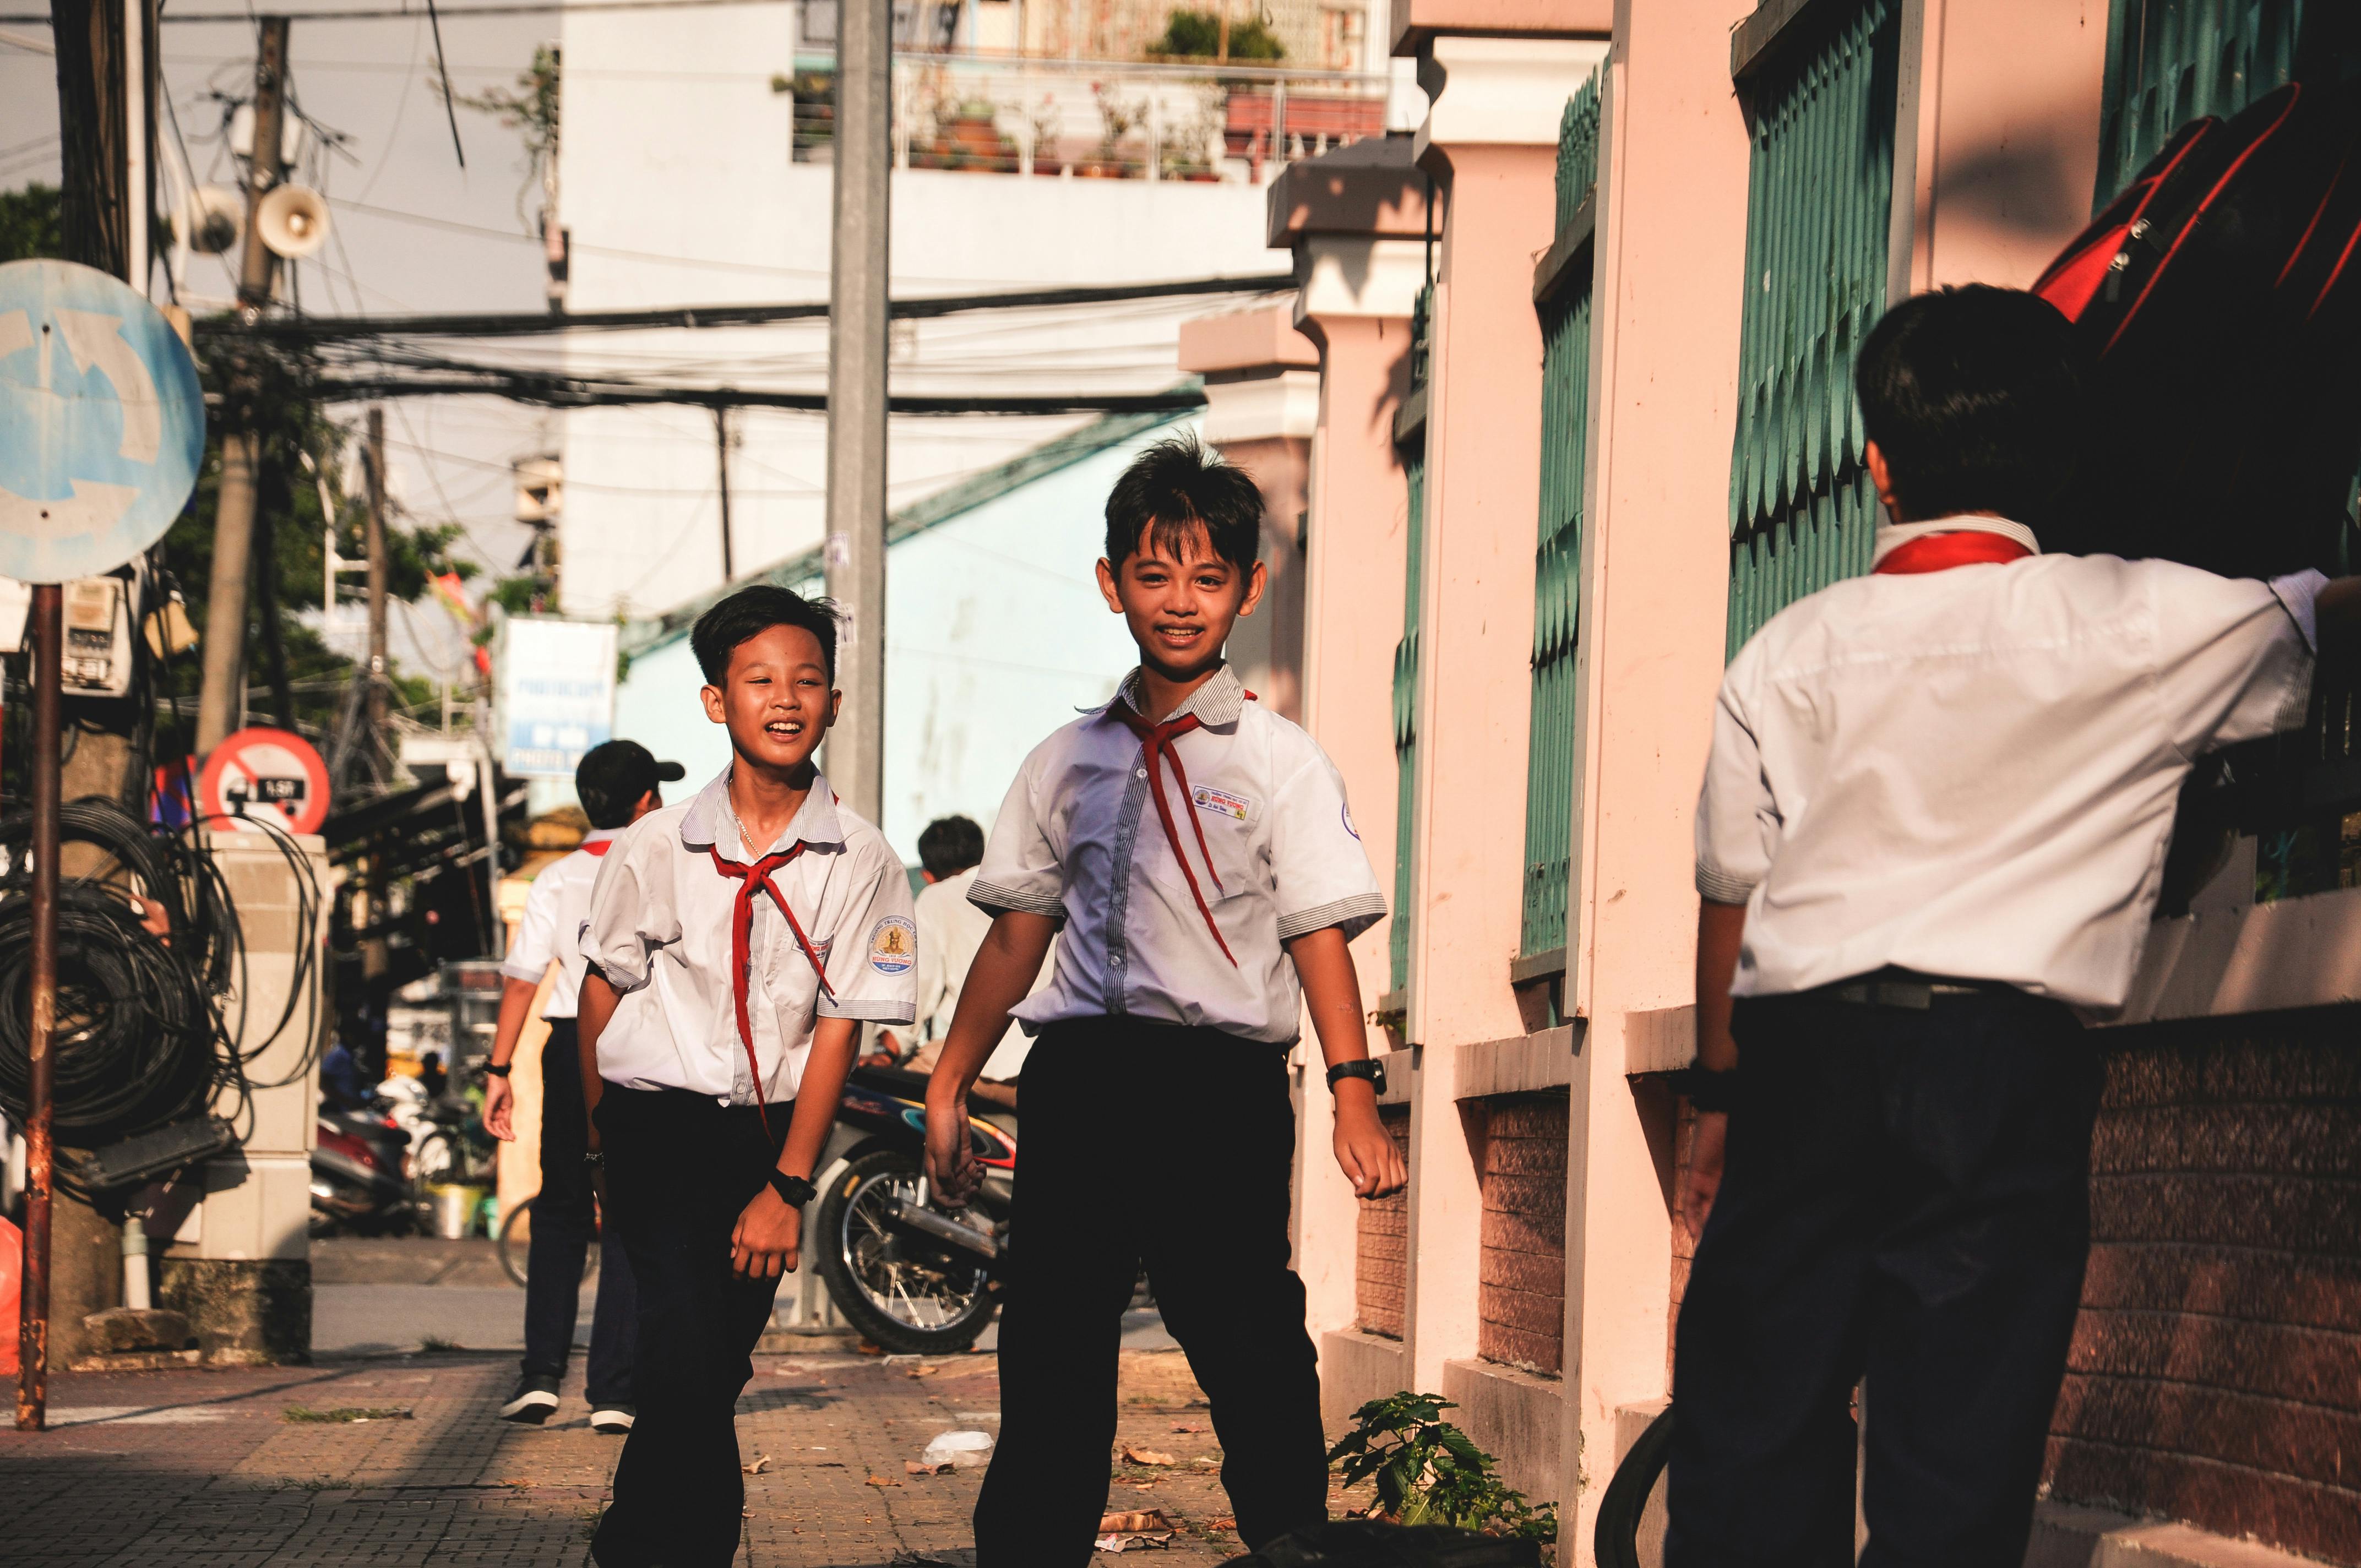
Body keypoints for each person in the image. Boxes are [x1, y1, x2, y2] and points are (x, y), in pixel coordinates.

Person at [1673, 285, 2360, 1566]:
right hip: (1997, 1067)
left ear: (1876, 463)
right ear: (2059, 459)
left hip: (1803, 1059)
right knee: (1956, 1437)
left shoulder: (1784, 647)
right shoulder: (2134, 618)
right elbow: (2319, 617)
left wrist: (1716, 1101)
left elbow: (1730, 885)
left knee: (1756, 1416)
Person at [923, 434, 1409, 1564]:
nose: (1179, 601)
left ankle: (1290, 1540)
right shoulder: (1061, 761)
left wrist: (1352, 1091)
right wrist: (950, 1077)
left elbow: (1317, 934)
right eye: (1153, 573)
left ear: (1248, 585)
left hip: (1218, 1089)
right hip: (1081, 1081)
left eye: (1205, 575)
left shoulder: (1280, 760)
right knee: (1051, 1339)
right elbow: (1012, 937)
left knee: (1245, 1333)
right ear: (1110, 584)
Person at [575, 584, 918, 1568]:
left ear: (834, 702)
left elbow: (844, 1027)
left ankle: (633, 1546)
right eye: (758, 678)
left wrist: (785, 1185)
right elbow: (602, 996)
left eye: (805, 680)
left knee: (706, 1368)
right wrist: (602, 1143)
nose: (783, 697)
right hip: (651, 1126)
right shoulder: (653, 847)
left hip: (765, 1137)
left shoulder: (863, 861)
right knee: (686, 1346)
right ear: (714, 701)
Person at [483, 739, 682, 1433]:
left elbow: (522, 978)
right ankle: (616, 1391)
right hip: (644, 1045)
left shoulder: (557, 876)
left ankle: (540, 1376)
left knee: (561, 1204)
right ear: (645, 801)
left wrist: (499, 1069)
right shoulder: (667, 870)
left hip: (568, 1045)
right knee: (629, 1210)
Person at [907, 813, 1046, 1092]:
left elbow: (918, 990)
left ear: (927, 876)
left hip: (996, 1070)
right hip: (1048, 1055)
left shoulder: (936, 898)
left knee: (893, 1083)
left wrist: (889, 1046)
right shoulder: (1027, 888)